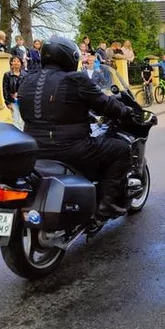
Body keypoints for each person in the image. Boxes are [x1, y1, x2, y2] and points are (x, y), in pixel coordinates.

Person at [18, 36, 134, 219]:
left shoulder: (27, 80)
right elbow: (104, 104)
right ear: (69, 57)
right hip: (72, 149)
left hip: (35, 151)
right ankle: (107, 205)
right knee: (121, 149)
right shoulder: (75, 79)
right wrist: (125, 111)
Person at [3, 56, 25, 129]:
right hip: (13, 100)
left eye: (18, 61)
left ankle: (23, 134)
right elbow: (5, 89)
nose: (16, 63)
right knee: (15, 118)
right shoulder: (7, 75)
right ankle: (17, 136)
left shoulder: (25, 75)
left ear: (21, 63)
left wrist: (20, 93)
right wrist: (7, 102)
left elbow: (27, 87)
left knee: (23, 118)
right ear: (11, 63)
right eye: (14, 61)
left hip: (23, 100)